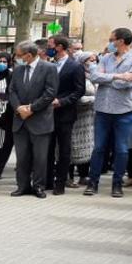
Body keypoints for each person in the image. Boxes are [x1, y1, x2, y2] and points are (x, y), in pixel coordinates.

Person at [84, 27, 132, 197]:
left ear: (121, 41)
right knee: (98, 148)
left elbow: (128, 84)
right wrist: (118, 76)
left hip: (124, 111)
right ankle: (92, 183)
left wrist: (108, 78)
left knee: (121, 150)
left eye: (112, 40)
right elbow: (95, 77)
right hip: (103, 109)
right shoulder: (105, 58)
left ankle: (117, 184)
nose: (110, 43)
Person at [8, 40, 59, 199]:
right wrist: (18, 108)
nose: (17, 57)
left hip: (40, 120)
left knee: (40, 157)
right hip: (20, 120)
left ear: (29, 55)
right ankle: (22, 186)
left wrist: (31, 108)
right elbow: (12, 91)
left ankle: (39, 186)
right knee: (22, 157)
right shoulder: (18, 70)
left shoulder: (49, 68)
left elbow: (49, 93)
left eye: (19, 55)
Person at [45, 35, 85, 195]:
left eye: (50, 45)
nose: (49, 48)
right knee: (47, 149)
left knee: (63, 150)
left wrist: (61, 101)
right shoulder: (50, 65)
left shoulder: (75, 66)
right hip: (48, 114)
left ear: (60, 47)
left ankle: (60, 183)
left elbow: (79, 90)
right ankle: (46, 180)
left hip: (65, 114)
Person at [69, 51, 97, 188]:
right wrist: (95, 100)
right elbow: (77, 96)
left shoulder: (94, 76)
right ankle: (68, 177)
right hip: (75, 116)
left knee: (86, 147)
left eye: (94, 60)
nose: (92, 62)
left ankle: (83, 175)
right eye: (89, 60)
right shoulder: (75, 74)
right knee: (71, 145)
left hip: (89, 119)